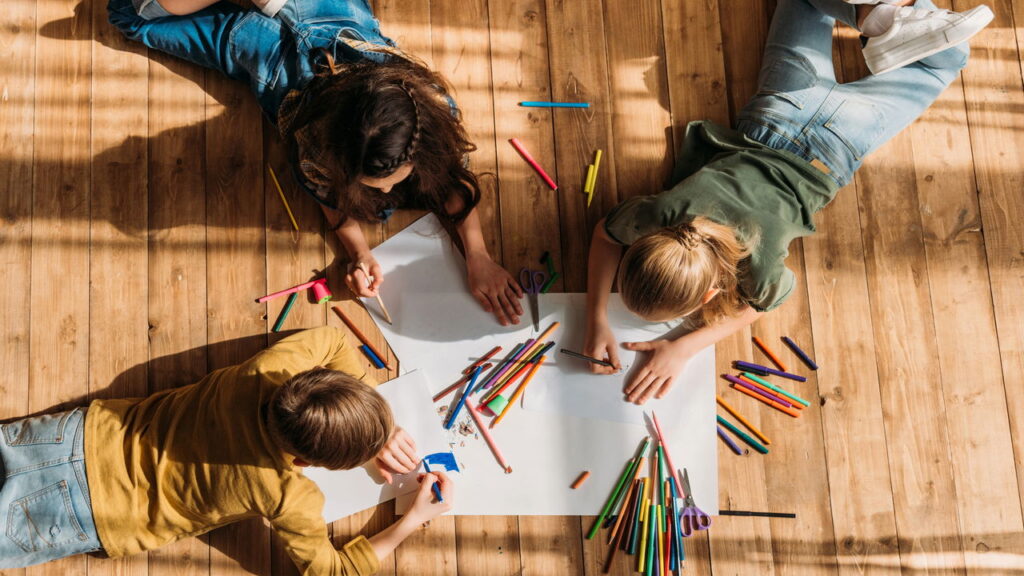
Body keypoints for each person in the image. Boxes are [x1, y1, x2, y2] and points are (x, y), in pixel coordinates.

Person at [583, 0, 992, 404]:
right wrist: (596, 315)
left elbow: (761, 306)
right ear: (643, 243)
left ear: (710, 294)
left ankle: (886, 18)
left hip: (837, 146)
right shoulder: (660, 214)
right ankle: (878, 15)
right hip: (779, 109)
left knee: (945, 59)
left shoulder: (755, 267)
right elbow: (605, 235)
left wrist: (687, 345)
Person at [108, 0, 525, 326]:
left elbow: (453, 181)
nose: (382, 192)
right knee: (129, 17)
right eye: (371, 182)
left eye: (388, 179)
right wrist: (356, 246)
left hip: (332, 12)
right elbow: (328, 196)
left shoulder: (431, 108)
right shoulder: (315, 148)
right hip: (263, 48)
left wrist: (479, 256)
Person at [0, 327, 452, 574]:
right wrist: (411, 521)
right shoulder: (286, 495)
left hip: (74, 436)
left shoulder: (265, 371)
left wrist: (366, 418)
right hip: (83, 512)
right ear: (306, 463)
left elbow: (332, 340)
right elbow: (331, 572)